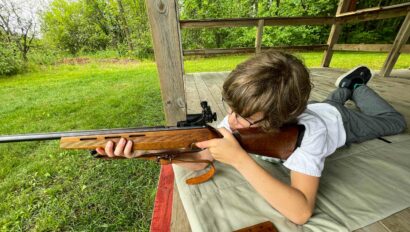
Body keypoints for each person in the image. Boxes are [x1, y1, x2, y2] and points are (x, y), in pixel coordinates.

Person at [96, 51, 406, 225]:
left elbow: (300, 212)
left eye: (244, 118)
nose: (231, 121)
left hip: (341, 123)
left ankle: (356, 87)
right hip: (315, 108)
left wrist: (240, 160)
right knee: (328, 103)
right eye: (231, 109)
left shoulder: (310, 135)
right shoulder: (246, 115)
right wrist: (144, 153)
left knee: (394, 122)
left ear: (276, 120)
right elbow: (201, 157)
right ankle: (341, 92)